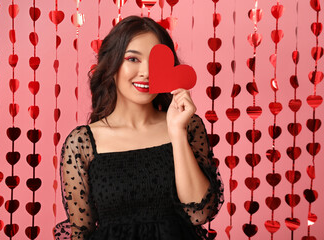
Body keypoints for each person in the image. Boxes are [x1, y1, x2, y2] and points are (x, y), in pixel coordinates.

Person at [54, 15, 224, 240]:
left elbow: (199, 213)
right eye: (133, 59)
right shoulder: (82, 143)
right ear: (112, 65)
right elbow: (81, 233)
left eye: (156, 62)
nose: (146, 72)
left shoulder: (187, 126)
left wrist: (176, 132)